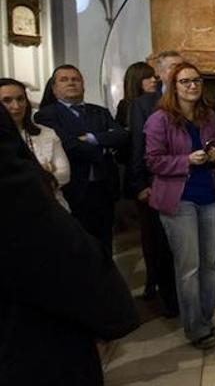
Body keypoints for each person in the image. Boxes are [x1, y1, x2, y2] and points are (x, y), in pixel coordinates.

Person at [0, 105, 140, 386]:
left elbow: (118, 136)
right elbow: (52, 248)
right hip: (30, 345)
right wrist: (111, 314)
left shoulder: (92, 114)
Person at [144, 62, 215, 350]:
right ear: (173, 86)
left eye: (197, 81)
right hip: (178, 199)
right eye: (185, 81)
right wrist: (185, 161)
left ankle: (206, 319)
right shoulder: (159, 119)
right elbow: (152, 160)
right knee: (188, 267)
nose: (192, 86)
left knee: (209, 266)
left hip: (208, 196)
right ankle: (196, 328)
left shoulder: (207, 116)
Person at [35, 65, 128, 254]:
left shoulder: (100, 112)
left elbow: (121, 136)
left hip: (104, 187)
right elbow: (68, 144)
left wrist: (91, 138)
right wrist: (103, 148)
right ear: (54, 88)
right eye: (64, 79)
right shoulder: (46, 115)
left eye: (75, 79)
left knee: (104, 244)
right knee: (78, 247)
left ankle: (107, 282)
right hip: (73, 190)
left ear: (83, 85)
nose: (71, 82)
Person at [130, 50, 184, 315]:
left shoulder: (193, 97)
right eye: (172, 66)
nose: (177, 71)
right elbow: (138, 146)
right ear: (160, 73)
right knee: (162, 246)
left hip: (189, 183)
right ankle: (172, 301)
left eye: (180, 66)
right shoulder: (144, 104)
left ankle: (192, 297)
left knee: (187, 247)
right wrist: (140, 184)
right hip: (158, 183)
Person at [115, 62, 159, 297]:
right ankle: (152, 280)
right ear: (136, 81)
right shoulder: (129, 106)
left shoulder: (159, 102)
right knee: (149, 233)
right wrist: (139, 182)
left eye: (155, 77)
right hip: (141, 174)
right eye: (148, 78)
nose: (154, 81)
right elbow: (132, 145)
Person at [0, 78, 71, 211]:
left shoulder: (46, 133)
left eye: (21, 99)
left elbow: (65, 175)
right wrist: (43, 172)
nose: (16, 106)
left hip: (52, 209)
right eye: (7, 100)